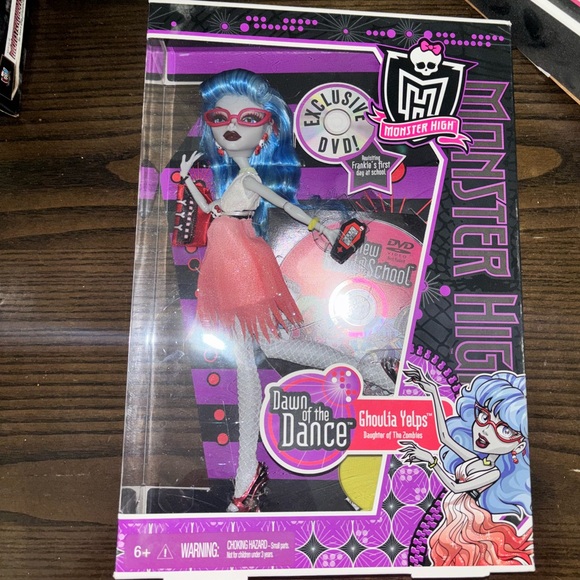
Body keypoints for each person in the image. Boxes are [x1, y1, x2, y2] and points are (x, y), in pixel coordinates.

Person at [178, 69, 393, 512]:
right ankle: (366, 368)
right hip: (225, 265)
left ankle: (247, 476)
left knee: (255, 358)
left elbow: (282, 203)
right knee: (269, 350)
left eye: (249, 118)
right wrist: (185, 180)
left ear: (267, 130)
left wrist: (316, 225)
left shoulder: (250, 178)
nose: (231, 127)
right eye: (219, 118)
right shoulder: (233, 180)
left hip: (241, 266)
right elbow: (213, 210)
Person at [400, 363, 533, 566]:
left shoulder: (493, 473)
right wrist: (433, 391)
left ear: (519, 445)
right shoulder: (476, 460)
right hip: (452, 516)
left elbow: (455, 487)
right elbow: (444, 437)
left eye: (504, 430)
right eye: (484, 416)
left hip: (465, 525)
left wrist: (431, 461)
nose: (486, 431)